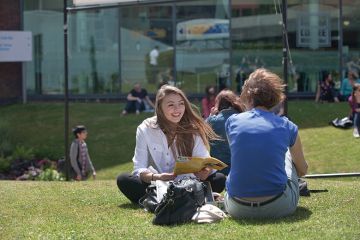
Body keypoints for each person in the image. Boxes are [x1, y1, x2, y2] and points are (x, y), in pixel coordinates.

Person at [116, 85, 226, 204]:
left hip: (188, 182)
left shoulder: (193, 129)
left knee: (219, 179)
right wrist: (157, 177)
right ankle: (180, 198)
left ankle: (163, 199)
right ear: (159, 108)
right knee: (124, 179)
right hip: (157, 183)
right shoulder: (145, 129)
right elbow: (139, 169)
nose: (177, 109)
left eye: (181, 104)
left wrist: (204, 172)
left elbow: (204, 160)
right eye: (171, 105)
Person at [224, 68, 308, 219]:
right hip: (279, 206)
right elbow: (302, 169)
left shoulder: (232, 122)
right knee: (288, 154)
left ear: (248, 95)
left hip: (237, 208)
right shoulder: (287, 126)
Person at [206, 90, 243, 175]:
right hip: (238, 167)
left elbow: (201, 133)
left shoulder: (212, 120)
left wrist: (210, 117)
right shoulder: (243, 119)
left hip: (217, 169)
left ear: (218, 104)